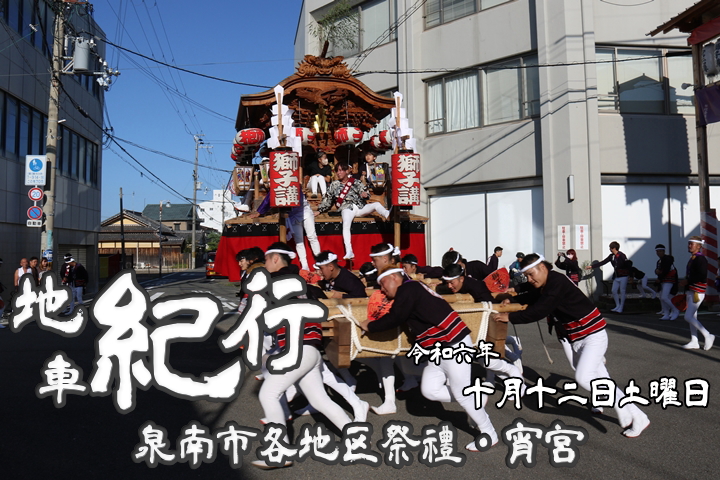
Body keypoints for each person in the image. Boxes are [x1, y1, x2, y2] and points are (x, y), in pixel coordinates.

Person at [495, 253, 650, 437]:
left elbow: (540, 309)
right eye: (526, 276)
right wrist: (512, 299)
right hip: (577, 337)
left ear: (542, 267)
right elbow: (533, 295)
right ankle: (635, 414)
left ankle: (625, 408)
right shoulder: (547, 283)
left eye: (530, 274)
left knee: (584, 377)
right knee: (601, 378)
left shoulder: (556, 282)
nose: (529, 279)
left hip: (593, 334)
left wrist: (510, 317)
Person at [359, 267, 501, 451]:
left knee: (461, 393)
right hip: (439, 348)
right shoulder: (411, 289)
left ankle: (489, 433)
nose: (382, 290)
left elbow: (396, 317)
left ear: (394, 277)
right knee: (430, 389)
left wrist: (370, 326)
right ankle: (475, 398)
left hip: (453, 343)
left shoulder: (408, 288)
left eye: (383, 283)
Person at [253, 243, 352, 469]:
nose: (264, 265)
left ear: (275, 259)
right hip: (310, 349)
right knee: (319, 400)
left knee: (268, 394)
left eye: (266, 260)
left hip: (298, 348)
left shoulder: (274, 282)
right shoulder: (302, 283)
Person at [316, 163, 390, 260]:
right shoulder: (334, 185)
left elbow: (366, 193)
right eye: (337, 171)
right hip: (346, 207)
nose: (338, 173)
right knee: (346, 224)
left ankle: (388, 214)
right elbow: (328, 200)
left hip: (360, 207)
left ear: (347, 171)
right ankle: (349, 251)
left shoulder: (356, 182)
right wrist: (320, 210)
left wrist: (365, 194)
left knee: (376, 204)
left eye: (341, 170)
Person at [250, 192, 321, 271]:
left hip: (305, 210)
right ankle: (305, 266)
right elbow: (270, 196)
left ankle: (320, 262)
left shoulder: (296, 184)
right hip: (293, 214)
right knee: (298, 240)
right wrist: (260, 211)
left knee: (312, 236)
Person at [679, 236, 715, 350]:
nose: (689, 246)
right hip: (691, 290)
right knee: (693, 317)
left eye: (692, 244)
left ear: (699, 246)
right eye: (689, 243)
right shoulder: (694, 258)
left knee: (688, 316)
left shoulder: (701, 259)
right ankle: (694, 341)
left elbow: (702, 275)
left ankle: (707, 335)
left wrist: (688, 281)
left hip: (697, 292)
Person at [588, 242, 630, 313]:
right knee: (614, 290)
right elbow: (603, 262)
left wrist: (630, 275)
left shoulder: (622, 255)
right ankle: (617, 305)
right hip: (616, 276)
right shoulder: (611, 256)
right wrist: (592, 266)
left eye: (611, 248)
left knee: (622, 291)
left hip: (623, 276)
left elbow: (628, 264)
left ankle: (621, 307)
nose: (610, 249)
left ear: (615, 248)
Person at [654, 244, 679, 320]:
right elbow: (659, 270)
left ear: (664, 251)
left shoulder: (667, 260)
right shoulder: (659, 261)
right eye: (657, 251)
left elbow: (666, 270)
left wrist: (659, 277)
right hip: (664, 280)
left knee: (664, 297)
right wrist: (656, 271)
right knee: (663, 298)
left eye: (660, 251)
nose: (659, 253)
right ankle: (666, 313)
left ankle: (675, 310)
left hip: (669, 280)